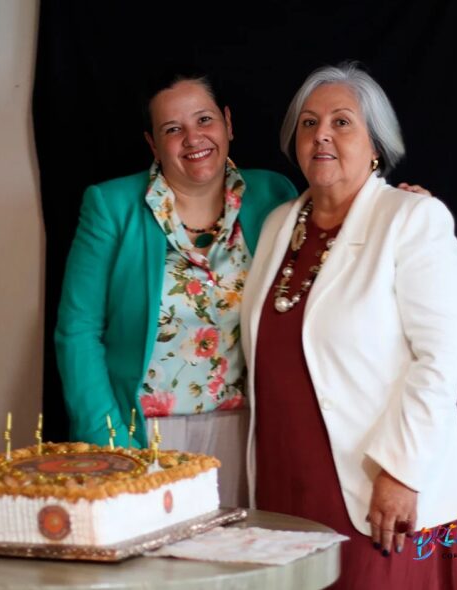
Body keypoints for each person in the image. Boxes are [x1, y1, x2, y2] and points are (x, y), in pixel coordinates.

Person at [241, 62, 457, 588]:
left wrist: (401, 472)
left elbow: (444, 358)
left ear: (376, 145)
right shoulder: (278, 224)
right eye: (308, 123)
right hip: (282, 483)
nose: (321, 134)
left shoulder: (412, 219)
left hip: (376, 488)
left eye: (341, 122)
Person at [54, 72, 298, 506]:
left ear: (227, 123)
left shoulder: (273, 194)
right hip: (142, 435)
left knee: (245, 547)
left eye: (204, 119)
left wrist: (399, 206)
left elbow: (334, 243)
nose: (193, 138)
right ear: (153, 144)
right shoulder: (111, 206)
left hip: (250, 433)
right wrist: (108, 443)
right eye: (172, 129)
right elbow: (77, 332)